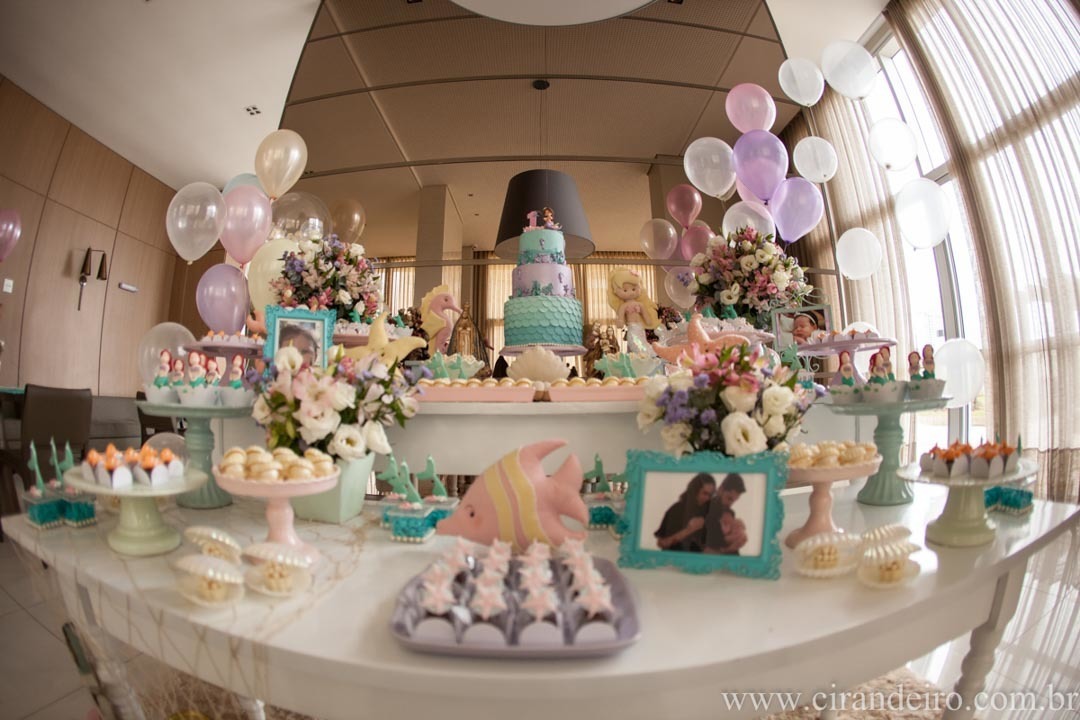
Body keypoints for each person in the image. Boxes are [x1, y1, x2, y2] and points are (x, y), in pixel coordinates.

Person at [654, 473, 716, 552]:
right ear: (694, 490)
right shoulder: (676, 510)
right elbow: (661, 543)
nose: (708, 498)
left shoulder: (709, 512)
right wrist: (689, 530)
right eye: (705, 493)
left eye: (711, 495)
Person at [704, 474, 748, 555]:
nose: (730, 504)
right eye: (729, 498)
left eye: (734, 500)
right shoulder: (706, 509)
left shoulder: (730, 512)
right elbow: (714, 541)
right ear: (720, 489)